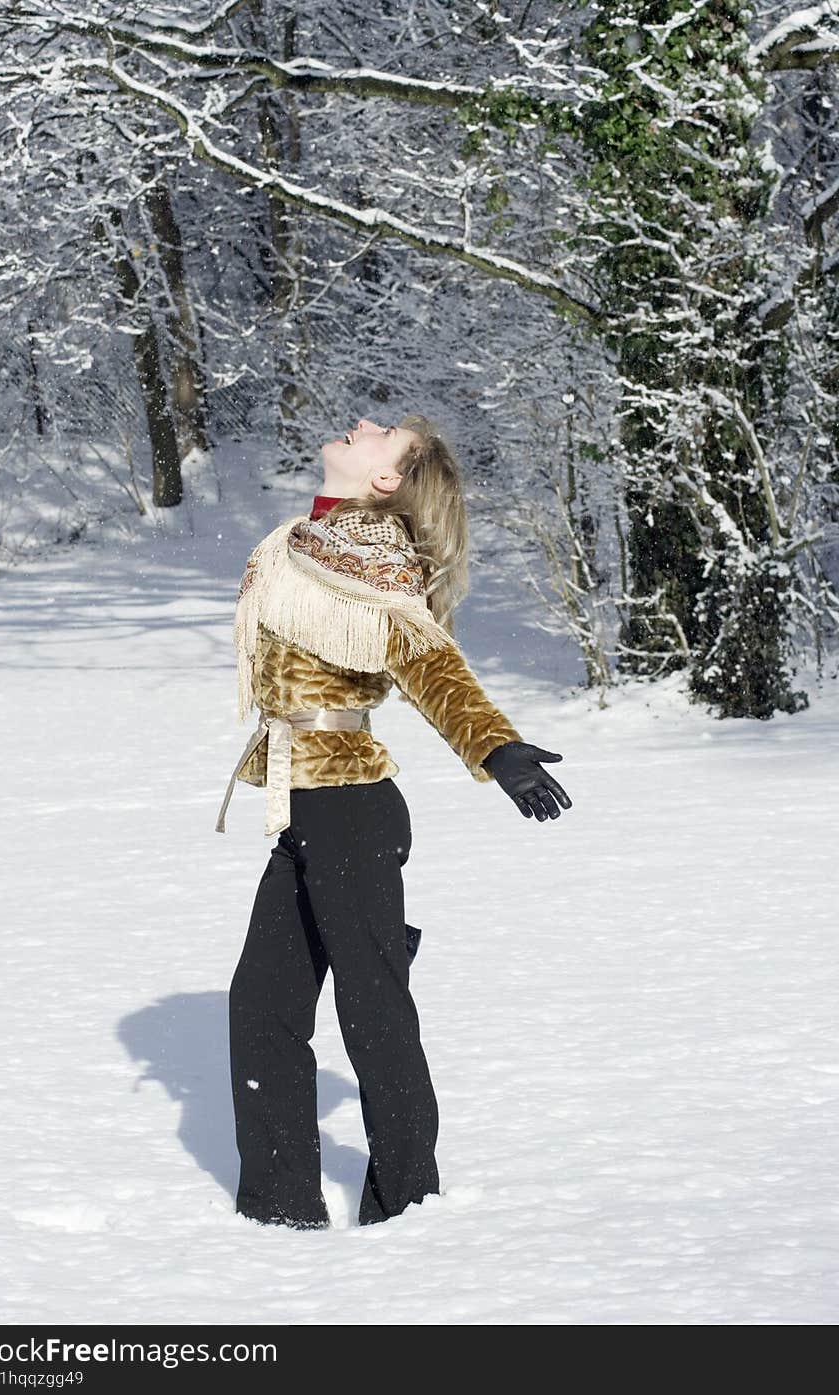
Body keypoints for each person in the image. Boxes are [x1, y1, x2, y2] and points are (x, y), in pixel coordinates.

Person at [216, 414, 572, 1230]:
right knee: (262, 1007)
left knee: (373, 1008)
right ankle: (279, 1206)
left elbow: (431, 662)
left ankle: (410, 1199)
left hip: (351, 809)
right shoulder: (308, 544)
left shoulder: (376, 565)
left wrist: (498, 748)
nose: (364, 422)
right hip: (301, 802)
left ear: (387, 481)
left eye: (387, 433)